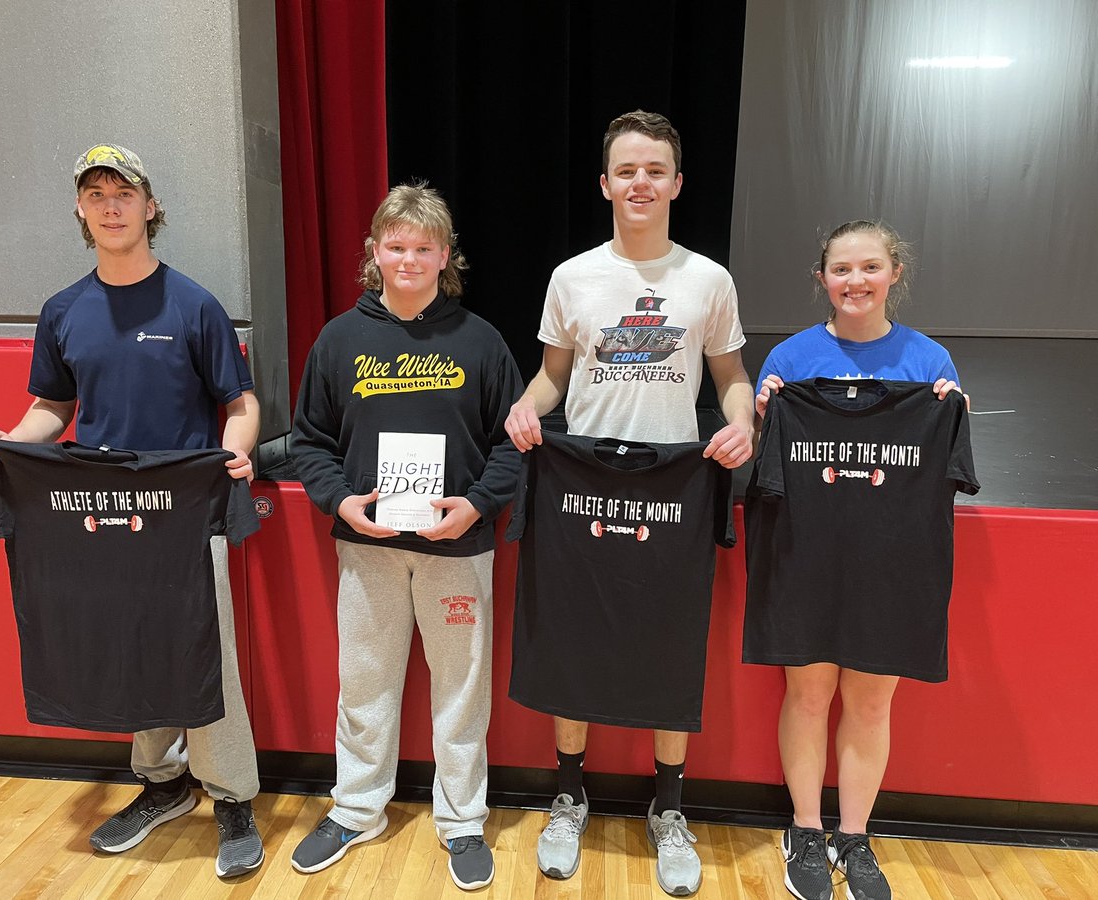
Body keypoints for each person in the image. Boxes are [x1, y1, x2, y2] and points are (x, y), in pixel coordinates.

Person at [0, 143, 264, 879]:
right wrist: (5, 443)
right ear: (80, 209)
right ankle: (163, 785)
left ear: (149, 206)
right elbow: (51, 408)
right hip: (103, 514)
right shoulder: (64, 311)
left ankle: (232, 800)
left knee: (205, 656)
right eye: (94, 193)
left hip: (188, 514)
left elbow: (241, 402)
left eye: (122, 192)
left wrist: (237, 451)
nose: (109, 204)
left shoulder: (193, 304)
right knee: (132, 649)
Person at [504, 110, 755, 896]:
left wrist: (744, 420)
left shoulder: (707, 279)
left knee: (670, 647)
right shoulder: (573, 277)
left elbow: (731, 379)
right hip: (583, 487)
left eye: (655, 171)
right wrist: (525, 405)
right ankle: (569, 796)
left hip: (672, 486)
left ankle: (669, 810)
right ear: (605, 183)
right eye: (627, 171)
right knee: (574, 641)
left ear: (676, 184)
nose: (640, 183)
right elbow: (553, 376)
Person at [287, 183, 522, 891]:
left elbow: (513, 444)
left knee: (461, 690)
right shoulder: (340, 339)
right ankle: (357, 809)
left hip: (457, 551)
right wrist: (342, 503)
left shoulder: (480, 340)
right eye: (397, 246)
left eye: (424, 247)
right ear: (376, 252)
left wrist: (476, 507)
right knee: (364, 684)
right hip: (368, 549)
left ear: (445, 256)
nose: (410, 258)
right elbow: (309, 442)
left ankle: (461, 821)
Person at [750, 220, 967, 900]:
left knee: (871, 706)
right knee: (809, 695)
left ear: (893, 273)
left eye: (869, 267)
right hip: (805, 553)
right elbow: (763, 461)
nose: (855, 281)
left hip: (889, 562)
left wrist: (949, 413)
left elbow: (949, 462)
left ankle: (856, 836)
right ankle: (806, 831)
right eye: (842, 269)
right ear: (822, 277)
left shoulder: (931, 364)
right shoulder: (787, 360)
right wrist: (765, 415)